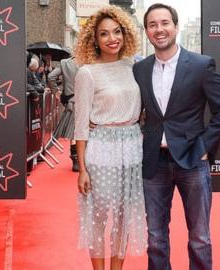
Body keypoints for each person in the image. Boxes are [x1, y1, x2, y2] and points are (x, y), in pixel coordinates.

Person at [133, 4, 220, 270]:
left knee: (199, 237)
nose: (159, 29)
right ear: (147, 31)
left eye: (165, 23)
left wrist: (205, 146)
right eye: (153, 25)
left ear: (175, 27)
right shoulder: (140, 69)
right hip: (154, 162)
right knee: (155, 236)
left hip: (192, 160)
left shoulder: (201, 65)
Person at [74, 6, 147, 270]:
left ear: (125, 33)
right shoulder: (88, 73)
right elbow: (80, 125)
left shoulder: (134, 67)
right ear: (94, 39)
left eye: (116, 31)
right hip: (102, 149)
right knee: (99, 216)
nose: (112, 38)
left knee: (124, 216)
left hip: (132, 147)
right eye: (104, 34)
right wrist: (82, 169)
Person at [48, 57, 79, 171]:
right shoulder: (92, 60)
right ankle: (82, 159)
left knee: (74, 132)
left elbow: (51, 77)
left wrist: (56, 92)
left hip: (72, 101)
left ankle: (76, 161)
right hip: (89, 101)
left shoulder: (65, 63)